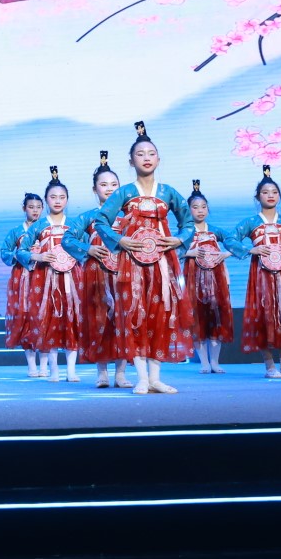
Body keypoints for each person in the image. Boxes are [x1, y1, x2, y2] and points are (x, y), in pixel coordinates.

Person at [99, 122, 195, 395]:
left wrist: (179, 239)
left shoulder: (168, 192)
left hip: (163, 263)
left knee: (161, 315)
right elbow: (101, 220)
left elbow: (188, 221)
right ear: (131, 161)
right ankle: (141, 377)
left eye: (151, 153)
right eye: (140, 154)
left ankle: (155, 378)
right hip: (132, 264)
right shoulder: (124, 192)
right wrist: (120, 240)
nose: (146, 158)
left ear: (159, 159)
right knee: (135, 314)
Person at [233, 166, 281, 379]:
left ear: (279, 196)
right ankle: (269, 366)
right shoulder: (251, 222)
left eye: (274, 192)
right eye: (265, 192)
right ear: (257, 197)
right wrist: (251, 249)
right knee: (264, 315)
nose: (270, 195)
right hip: (261, 276)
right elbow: (230, 239)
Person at [20, 167, 89, 383]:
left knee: (72, 320)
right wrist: (39, 256)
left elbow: (86, 247)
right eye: (53, 197)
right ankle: (54, 370)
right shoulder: (39, 225)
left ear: (67, 200)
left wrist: (77, 254)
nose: (57, 201)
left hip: (72, 278)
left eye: (62, 197)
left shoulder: (74, 224)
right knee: (50, 322)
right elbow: (21, 250)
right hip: (46, 279)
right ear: (46, 200)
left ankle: (71, 370)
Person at [71, 152, 130, 388]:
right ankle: (102, 372)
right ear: (95, 189)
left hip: (124, 273)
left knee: (124, 320)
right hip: (96, 274)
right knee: (99, 320)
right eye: (104, 184)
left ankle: (121, 373)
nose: (109, 188)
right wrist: (88, 249)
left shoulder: (129, 216)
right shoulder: (88, 217)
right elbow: (68, 239)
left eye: (114, 184)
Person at [180, 180, 239, 374]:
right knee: (198, 318)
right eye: (195, 207)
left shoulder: (215, 231)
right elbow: (172, 252)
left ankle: (215, 362)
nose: (200, 210)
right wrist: (190, 253)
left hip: (216, 280)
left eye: (203, 206)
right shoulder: (185, 232)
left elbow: (236, 241)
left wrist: (226, 254)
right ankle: (204, 362)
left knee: (216, 318)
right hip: (193, 280)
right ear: (188, 210)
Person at [0, 192, 45, 377]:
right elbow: (5, 252)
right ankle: (31, 365)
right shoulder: (16, 232)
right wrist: (19, 255)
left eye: (38, 207)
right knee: (26, 317)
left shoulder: (47, 228)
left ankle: (45, 365)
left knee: (44, 317)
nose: (35, 211)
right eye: (31, 207)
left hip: (44, 275)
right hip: (23, 278)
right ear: (24, 208)